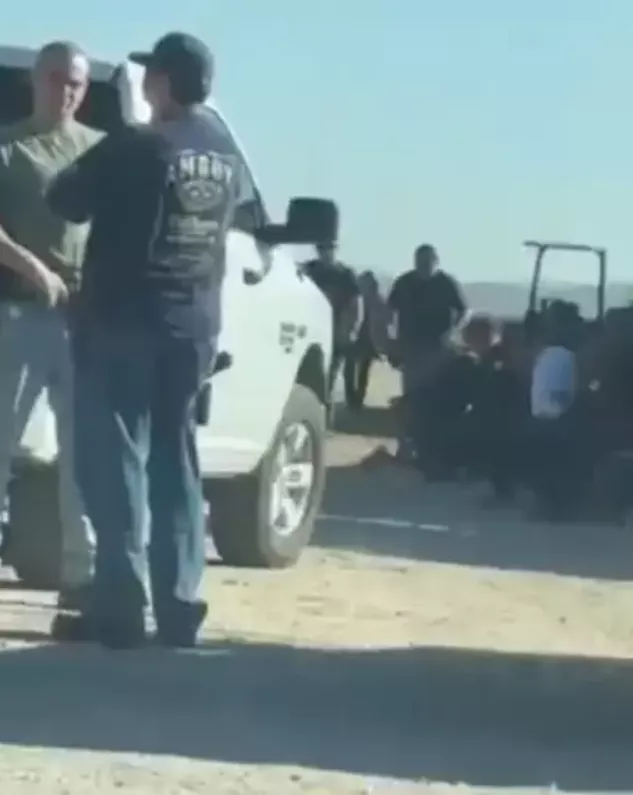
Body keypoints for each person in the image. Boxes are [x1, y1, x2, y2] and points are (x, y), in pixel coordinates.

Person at [46, 32, 246, 648]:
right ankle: (180, 605)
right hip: (191, 327)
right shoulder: (224, 152)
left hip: (123, 323)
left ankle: (121, 607)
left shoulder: (136, 145)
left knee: (115, 468)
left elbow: (64, 198)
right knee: (175, 462)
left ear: (160, 81)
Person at [0, 41, 100, 609]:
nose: (66, 91)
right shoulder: (10, 146)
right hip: (20, 314)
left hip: (83, 321)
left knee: (81, 454)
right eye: (57, 78)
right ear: (36, 80)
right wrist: (32, 268)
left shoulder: (99, 150)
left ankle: (81, 580)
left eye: (76, 83)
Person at [387, 244, 466, 461]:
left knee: (434, 398)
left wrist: (453, 331)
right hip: (411, 348)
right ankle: (406, 446)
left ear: (436, 262)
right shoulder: (404, 283)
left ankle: (431, 447)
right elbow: (390, 309)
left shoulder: (446, 283)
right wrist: (391, 335)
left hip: (438, 349)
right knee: (410, 400)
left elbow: (464, 310)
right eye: (420, 262)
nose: (423, 266)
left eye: (427, 262)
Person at [303, 242, 361, 419]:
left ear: (335, 250)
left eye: (329, 249)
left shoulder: (345, 274)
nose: (326, 253)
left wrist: (352, 329)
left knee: (329, 377)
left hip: (336, 332)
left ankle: (325, 417)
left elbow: (356, 303)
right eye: (322, 249)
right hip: (311, 330)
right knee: (309, 377)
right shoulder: (309, 270)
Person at [343, 270, 387, 410]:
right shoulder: (355, 298)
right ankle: (352, 399)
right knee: (350, 371)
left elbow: (386, 322)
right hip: (355, 339)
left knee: (362, 373)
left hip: (369, 341)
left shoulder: (378, 301)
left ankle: (357, 400)